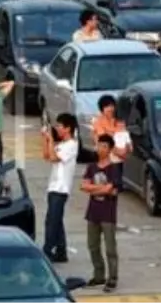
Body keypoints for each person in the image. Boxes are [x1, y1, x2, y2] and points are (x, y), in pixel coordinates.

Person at [82, 134, 121, 292]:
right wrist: (101, 189)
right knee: (92, 245)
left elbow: (111, 189)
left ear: (110, 149)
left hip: (108, 213)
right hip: (93, 212)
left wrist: (94, 188)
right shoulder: (92, 167)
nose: (100, 149)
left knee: (110, 248)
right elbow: (84, 186)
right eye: (99, 145)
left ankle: (112, 278)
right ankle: (99, 275)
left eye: (104, 146)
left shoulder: (114, 168)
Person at [42, 113, 78, 264]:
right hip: (53, 186)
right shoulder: (61, 144)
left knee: (52, 221)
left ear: (68, 128)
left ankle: (47, 249)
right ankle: (61, 250)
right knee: (57, 220)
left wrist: (50, 139)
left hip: (61, 188)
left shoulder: (71, 145)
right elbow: (46, 155)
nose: (57, 129)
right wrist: (46, 139)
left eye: (60, 126)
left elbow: (54, 158)